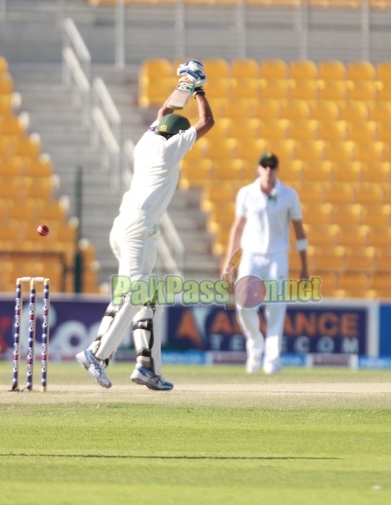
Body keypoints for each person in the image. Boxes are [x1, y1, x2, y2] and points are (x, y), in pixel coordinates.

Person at [78, 61, 214, 391]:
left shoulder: (146, 141)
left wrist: (184, 83)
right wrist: (200, 90)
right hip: (139, 227)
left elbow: (166, 109)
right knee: (135, 292)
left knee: (147, 296)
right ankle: (98, 353)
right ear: (177, 134)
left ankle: (146, 366)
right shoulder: (170, 150)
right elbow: (207, 121)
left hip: (127, 225)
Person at [224, 152, 308, 374]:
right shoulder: (246, 193)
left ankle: (272, 360)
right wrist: (230, 262)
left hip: (278, 255)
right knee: (243, 305)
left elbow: (300, 231)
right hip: (250, 254)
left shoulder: (289, 195)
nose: (268, 169)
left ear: (277, 169)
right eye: (265, 165)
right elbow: (238, 227)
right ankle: (255, 346)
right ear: (259, 168)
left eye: (272, 165)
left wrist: (305, 265)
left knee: (276, 308)